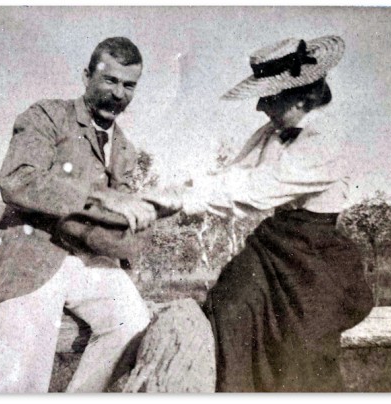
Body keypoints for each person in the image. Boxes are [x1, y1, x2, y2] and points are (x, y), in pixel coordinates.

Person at [143, 35, 375, 392]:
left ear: (300, 95)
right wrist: (166, 196)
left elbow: (257, 189)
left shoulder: (329, 139)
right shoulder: (271, 132)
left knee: (300, 350)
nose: (260, 107)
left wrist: (177, 201)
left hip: (314, 256)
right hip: (275, 243)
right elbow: (230, 174)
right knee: (229, 307)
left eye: (268, 97)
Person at [0, 37, 157, 392]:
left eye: (129, 85)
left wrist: (143, 218)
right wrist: (101, 195)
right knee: (21, 386)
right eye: (110, 80)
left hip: (90, 263)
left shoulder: (125, 148)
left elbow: (112, 219)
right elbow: (18, 180)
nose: (118, 93)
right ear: (86, 76)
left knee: (134, 325)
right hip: (31, 258)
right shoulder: (47, 115)